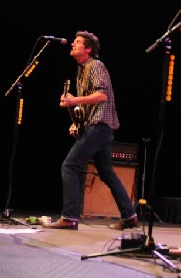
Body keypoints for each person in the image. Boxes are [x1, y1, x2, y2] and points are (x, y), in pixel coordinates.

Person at [43, 30, 138, 230]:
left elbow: (102, 96)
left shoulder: (96, 65)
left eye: (77, 42)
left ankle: (69, 218)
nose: (72, 45)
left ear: (88, 49)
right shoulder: (81, 70)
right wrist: (76, 121)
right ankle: (130, 216)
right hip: (97, 125)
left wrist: (75, 100)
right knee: (107, 173)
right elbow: (88, 103)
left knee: (70, 166)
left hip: (100, 125)